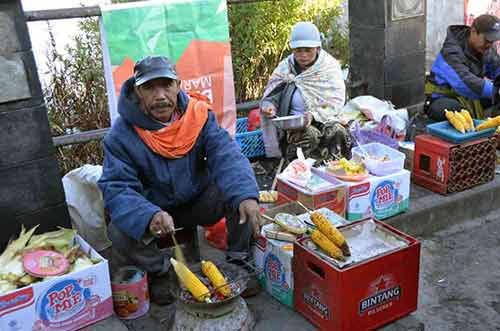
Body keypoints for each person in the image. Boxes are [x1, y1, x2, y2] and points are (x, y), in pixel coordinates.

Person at [98, 56, 261, 305]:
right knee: (118, 229)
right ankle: (161, 272)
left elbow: (226, 155)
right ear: (137, 91)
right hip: (157, 213)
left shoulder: (198, 116)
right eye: (150, 88)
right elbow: (117, 187)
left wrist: (246, 195)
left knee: (239, 191)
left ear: (178, 85)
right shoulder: (120, 135)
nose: (160, 95)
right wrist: (148, 215)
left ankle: (239, 260)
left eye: (166, 85)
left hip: (198, 201)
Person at [260, 21, 349, 164]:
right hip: (294, 126)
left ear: (317, 48)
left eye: (308, 50)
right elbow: (273, 95)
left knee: (337, 131)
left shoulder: (329, 68)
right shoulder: (286, 68)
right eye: (298, 50)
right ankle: (303, 174)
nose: (303, 55)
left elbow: (335, 102)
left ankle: (335, 170)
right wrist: (268, 105)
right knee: (310, 135)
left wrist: (313, 116)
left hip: (326, 119)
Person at [426, 14, 500, 121]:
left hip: (471, 98)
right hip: (443, 99)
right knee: (455, 112)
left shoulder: (486, 49)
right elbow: (465, 82)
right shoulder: (451, 52)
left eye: (492, 41)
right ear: (474, 32)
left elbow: (497, 67)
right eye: (487, 40)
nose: (490, 44)